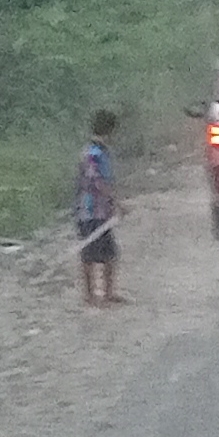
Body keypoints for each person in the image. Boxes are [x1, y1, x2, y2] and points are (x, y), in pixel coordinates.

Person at [75, 109, 127, 307]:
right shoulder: (94, 154)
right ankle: (92, 296)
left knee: (108, 253)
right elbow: (98, 183)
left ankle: (106, 293)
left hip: (97, 210)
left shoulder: (96, 152)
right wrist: (116, 202)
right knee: (91, 254)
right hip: (91, 211)